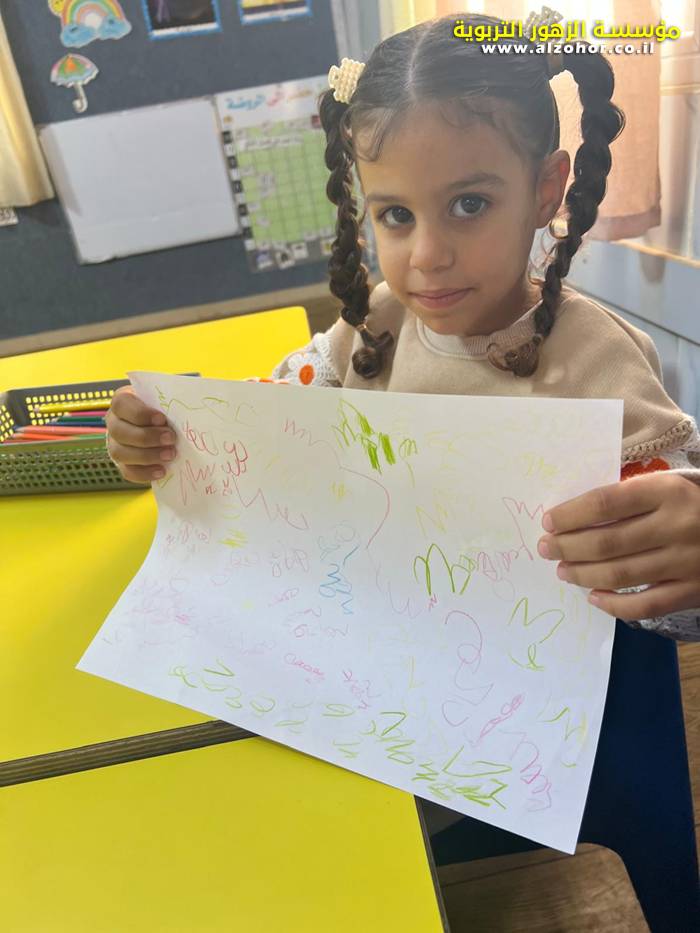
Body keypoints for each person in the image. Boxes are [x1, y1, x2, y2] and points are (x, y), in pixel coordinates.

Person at [106, 11, 700, 642]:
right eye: (395, 214)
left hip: (549, 673)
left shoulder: (600, 364)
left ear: (546, 190)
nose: (427, 256)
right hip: (390, 654)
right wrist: (171, 434)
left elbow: (673, 596)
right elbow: (267, 423)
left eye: (469, 204)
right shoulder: (378, 325)